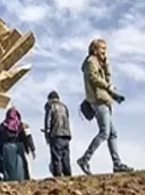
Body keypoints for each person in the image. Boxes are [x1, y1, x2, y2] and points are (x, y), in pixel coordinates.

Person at [77, 39, 132, 175]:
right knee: (105, 133)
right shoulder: (91, 62)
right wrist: (108, 88)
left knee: (112, 134)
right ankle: (85, 159)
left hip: (104, 101)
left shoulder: (99, 63)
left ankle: (117, 164)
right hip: (98, 102)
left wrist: (106, 65)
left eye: (105, 49)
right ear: (94, 50)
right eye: (102, 48)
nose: (104, 51)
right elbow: (94, 79)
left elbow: (107, 81)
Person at [0, 107, 34, 182]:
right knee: (21, 168)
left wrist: (1, 153)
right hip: (18, 148)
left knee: (9, 169)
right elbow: (27, 137)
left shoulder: (2, 126)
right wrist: (31, 149)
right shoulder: (22, 125)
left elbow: (0, 141)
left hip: (6, 149)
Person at [43, 91, 72, 177]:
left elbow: (48, 120)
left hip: (56, 134)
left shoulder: (50, 105)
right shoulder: (64, 107)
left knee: (56, 158)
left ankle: (58, 177)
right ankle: (68, 176)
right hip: (66, 135)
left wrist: (47, 134)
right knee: (66, 158)